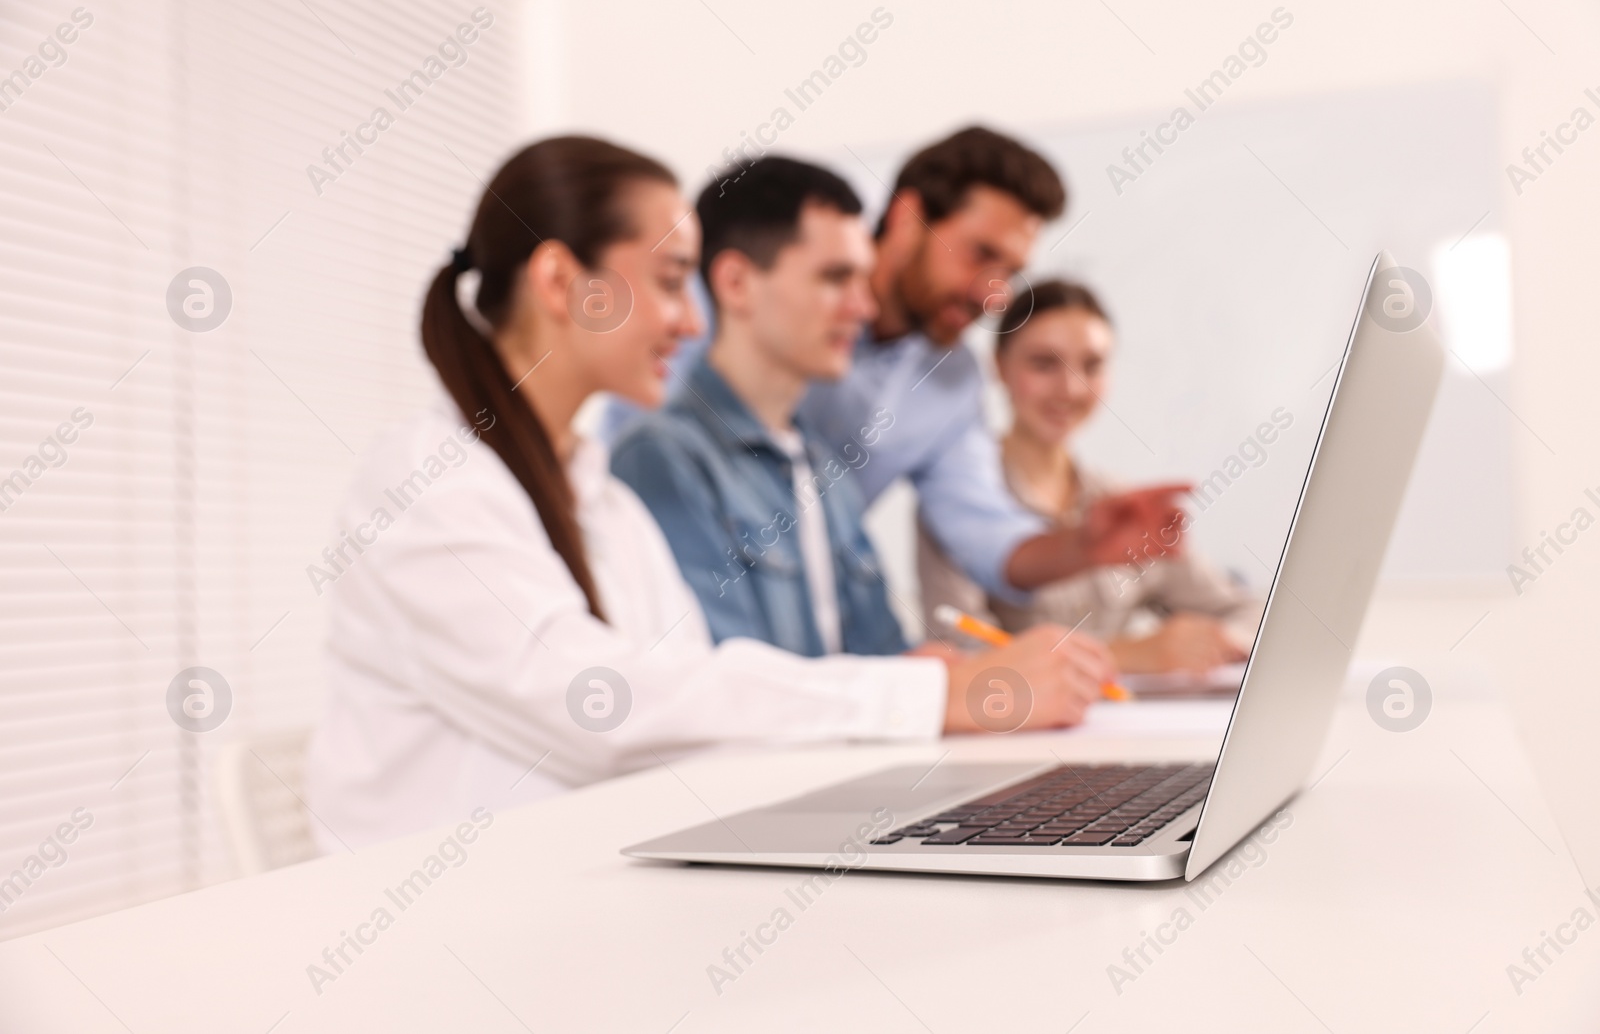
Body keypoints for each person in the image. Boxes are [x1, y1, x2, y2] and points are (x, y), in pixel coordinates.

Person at [304, 136, 1115, 849]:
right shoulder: (428, 484)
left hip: (570, 902)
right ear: (560, 279)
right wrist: (930, 692)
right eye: (668, 282)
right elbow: (608, 712)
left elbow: (701, 701)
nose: (689, 324)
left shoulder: (602, 504)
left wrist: (922, 686)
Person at [797, 127, 1188, 613]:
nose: (994, 294)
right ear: (908, 218)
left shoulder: (952, 382)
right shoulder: (774, 308)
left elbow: (986, 536)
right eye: (981, 255)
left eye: (1010, 271)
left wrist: (1084, 545)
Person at [612, 156, 911, 656]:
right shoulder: (661, 459)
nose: (865, 308)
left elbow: (886, 656)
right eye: (837, 278)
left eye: (865, 281)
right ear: (735, 283)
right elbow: (730, 689)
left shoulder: (826, 472)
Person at [919, 279, 1262, 674]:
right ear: (999, 366)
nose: (1070, 388)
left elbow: (1248, 611)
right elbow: (962, 659)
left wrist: (1218, 642)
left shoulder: (1123, 506)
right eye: (1044, 364)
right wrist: (1127, 656)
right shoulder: (956, 499)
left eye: (1092, 365)